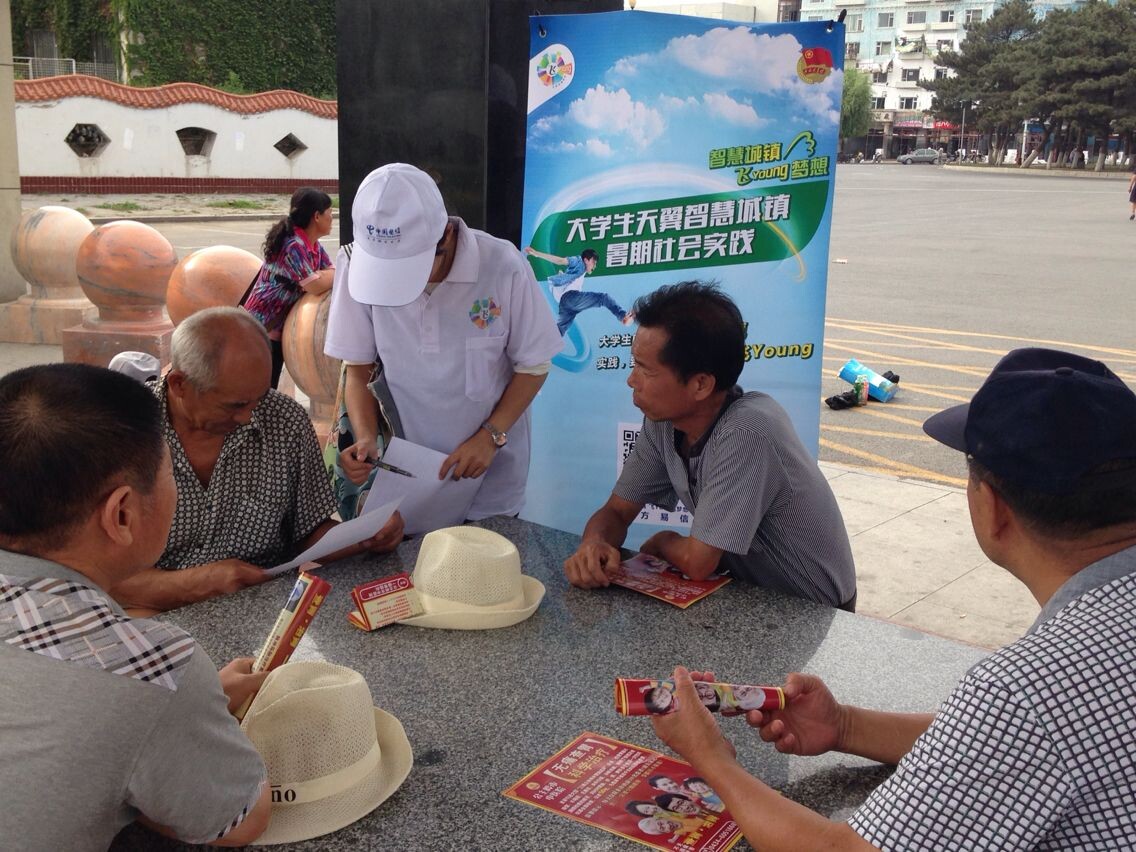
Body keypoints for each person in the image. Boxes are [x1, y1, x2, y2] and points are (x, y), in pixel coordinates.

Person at [650, 348, 1136, 849]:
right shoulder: (1055, 683)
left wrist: (710, 757)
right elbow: (999, 746)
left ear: (992, 509)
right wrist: (844, 726)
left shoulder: (1028, 690)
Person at [0, 363, 271, 850]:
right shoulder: (149, 667)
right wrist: (170, 708)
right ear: (122, 513)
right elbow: (240, 821)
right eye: (168, 473)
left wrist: (189, 705)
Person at [563, 281, 856, 610]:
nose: (632, 380)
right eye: (634, 364)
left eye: (645, 369)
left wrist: (665, 541)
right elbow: (617, 511)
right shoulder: (664, 424)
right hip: (746, 590)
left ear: (700, 384)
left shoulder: (748, 431)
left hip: (812, 608)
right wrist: (594, 544)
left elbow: (698, 561)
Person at [109, 307, 403, 613]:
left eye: (259, 398)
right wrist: (195, 584)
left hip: (267, 609)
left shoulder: (284, 420)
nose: (249, 417)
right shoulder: (122, 432)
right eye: (234, 405)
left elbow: (308, 533)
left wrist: (365, 535)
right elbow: (98, 577)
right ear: (179, 384)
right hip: (153, 611)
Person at [325, 163, 563, 522]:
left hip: (488, 478)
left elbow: (535, 364)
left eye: (411, 268)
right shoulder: (354, 266)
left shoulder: (502, 264)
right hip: (406, 477)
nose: (399, 285)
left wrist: (490, 435)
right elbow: (357, 368)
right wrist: (365, 438)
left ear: (447, 235)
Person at [242, 187, 335, 388]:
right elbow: (316, 285)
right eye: (330, 213)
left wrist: (324, 275)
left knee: (267, 387)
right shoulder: (293, 246)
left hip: (279, 329)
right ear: (317, 216)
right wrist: (323, 277)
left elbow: (331, 270)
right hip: (261, 330)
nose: (332, 218)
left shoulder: (313, 245)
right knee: (262, 389)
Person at [523, 246, 634, 335]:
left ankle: (535, 343)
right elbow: (561, 260)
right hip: (570, 298)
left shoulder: (578, 273)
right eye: (594, 262)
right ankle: (622, 316)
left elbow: (565, 279)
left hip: (565, 305)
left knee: (558, 333)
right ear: (586, 260)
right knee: (603, 298)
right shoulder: (579, 261)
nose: (594, 266)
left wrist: (562, 275)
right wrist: (537, 253)